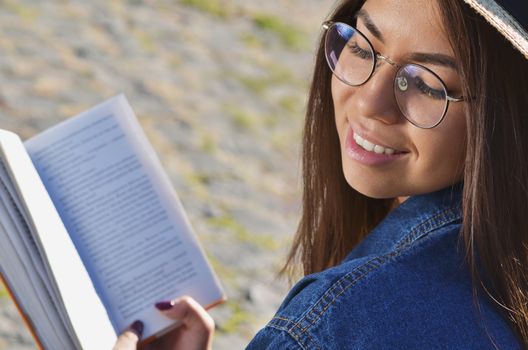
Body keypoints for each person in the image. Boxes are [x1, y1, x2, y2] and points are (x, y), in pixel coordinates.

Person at [114, 0, 528, 348]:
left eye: (427, 85)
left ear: (510, 115)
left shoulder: (338, 320)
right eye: (364, 48)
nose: (369, 103)